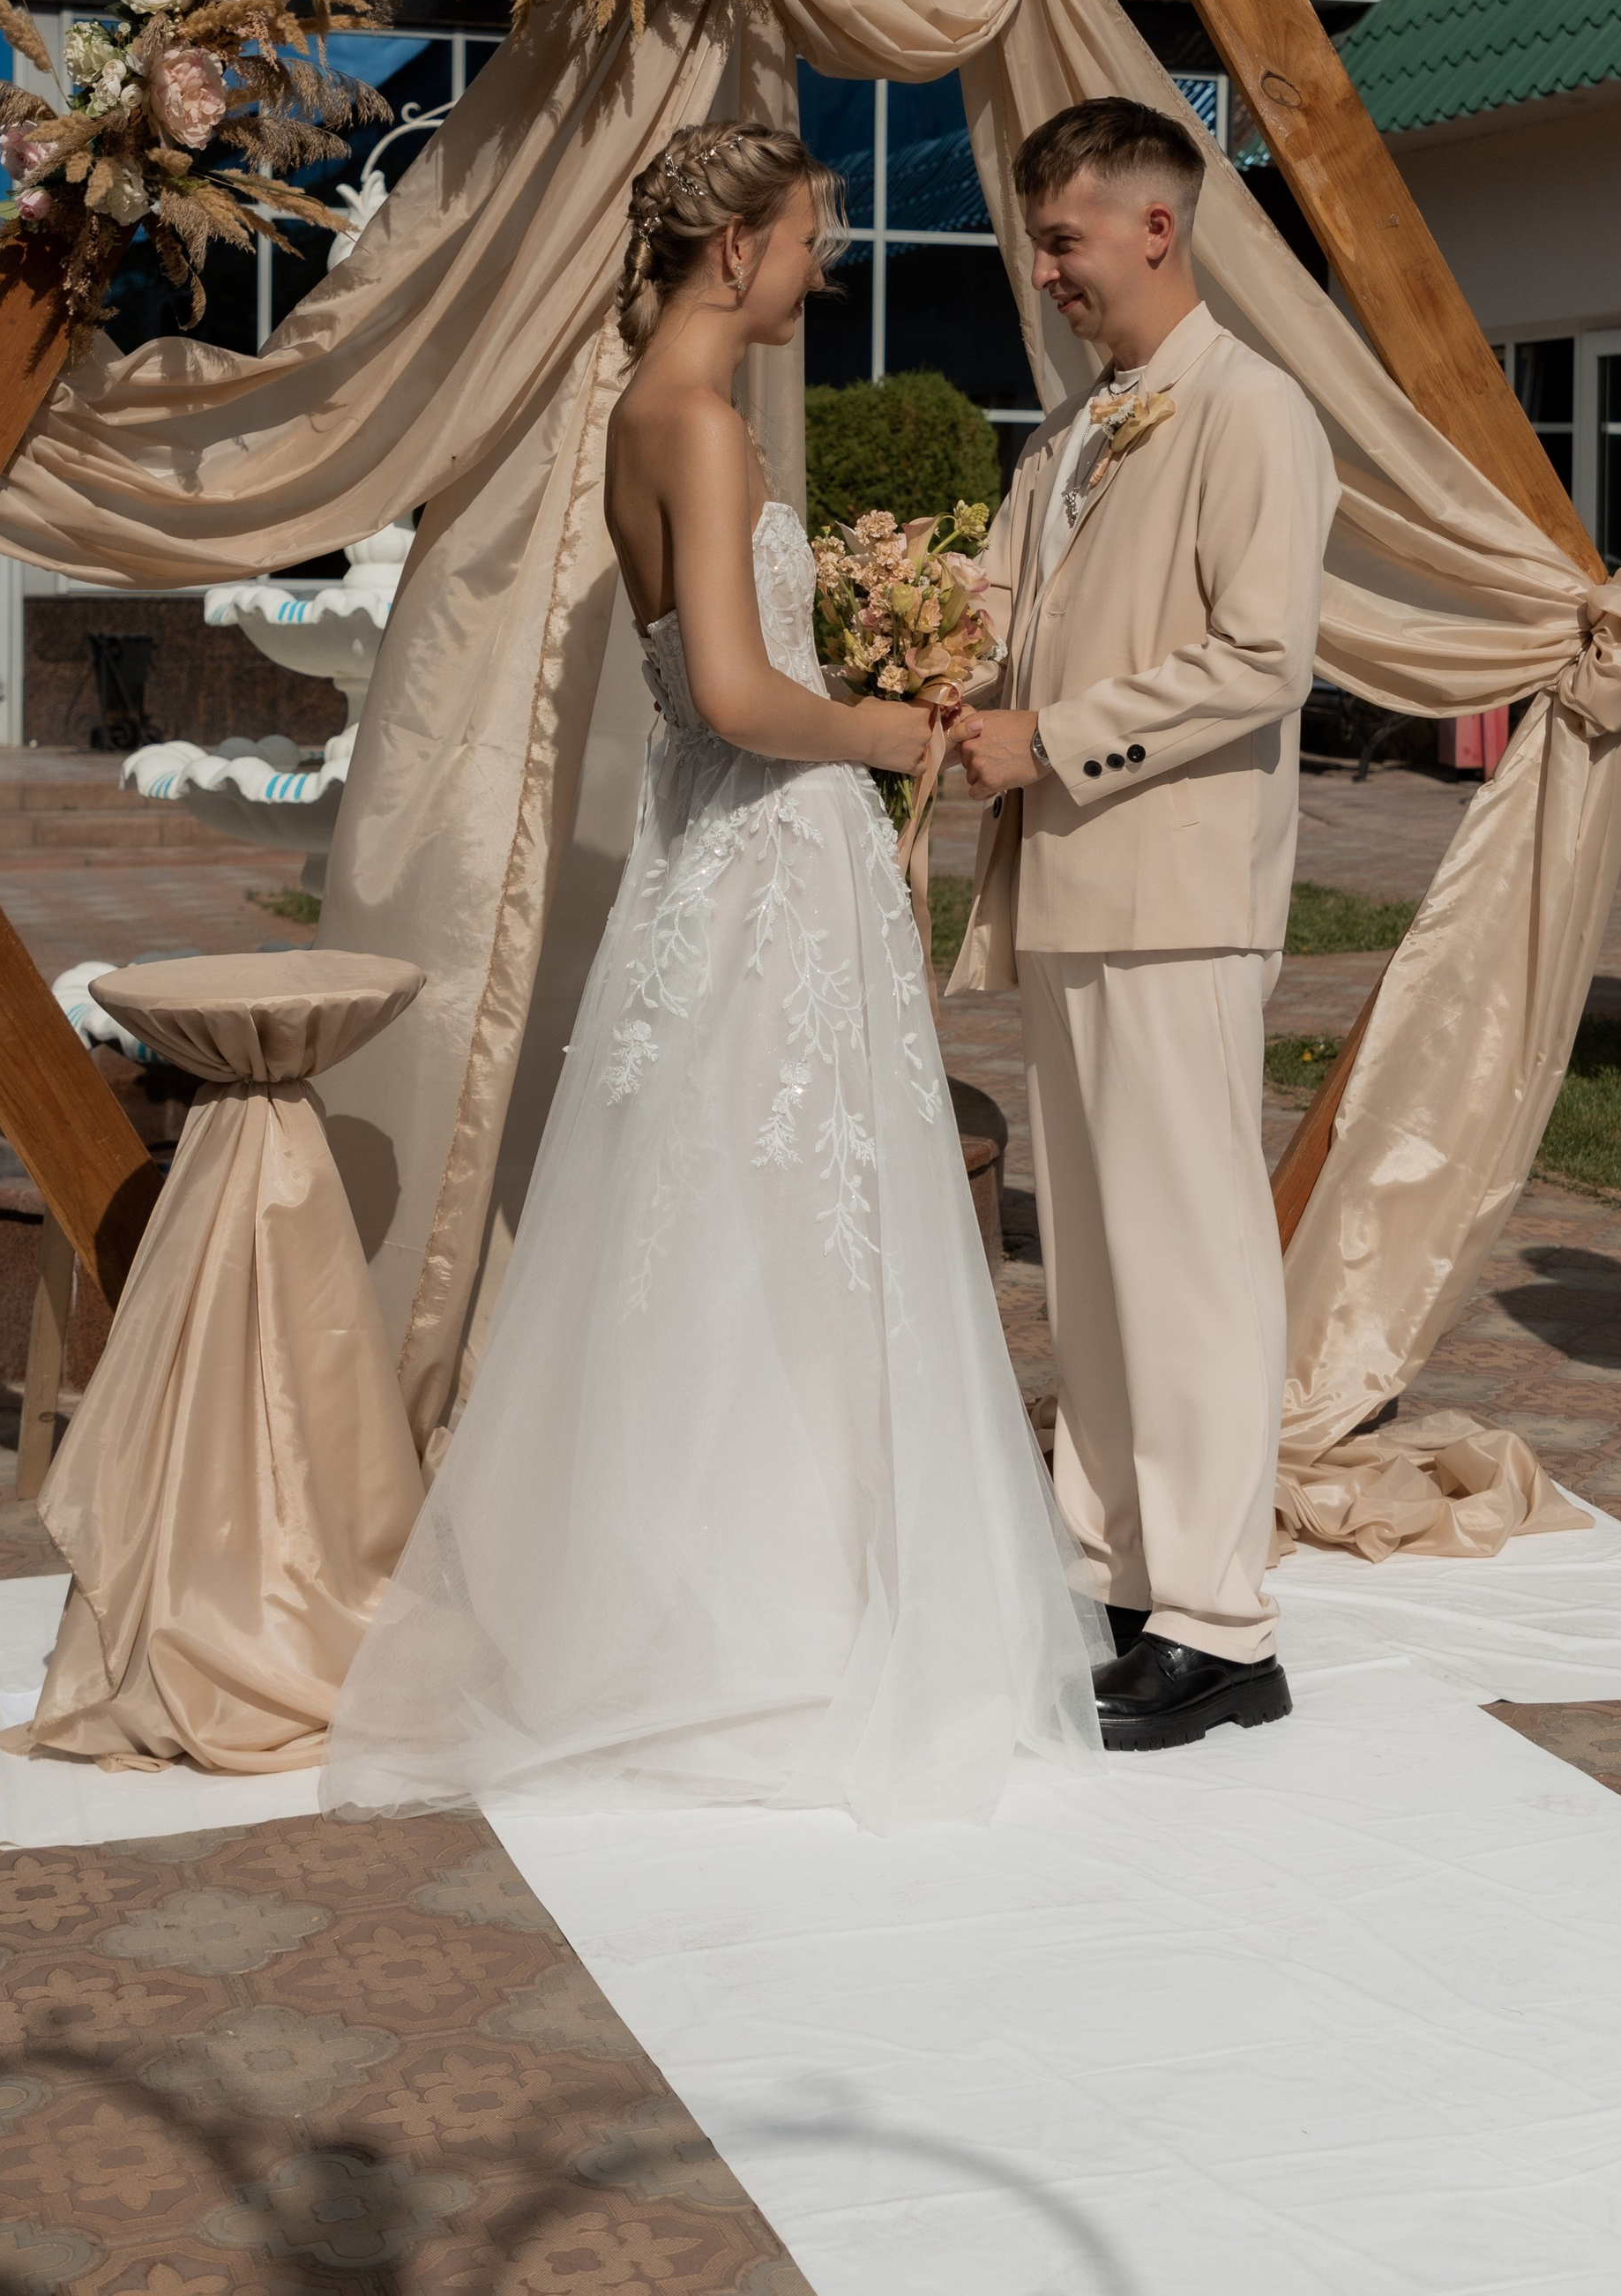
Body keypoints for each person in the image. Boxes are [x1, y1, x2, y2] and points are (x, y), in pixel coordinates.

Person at [323, 121, 1102, 1831]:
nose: (819, 269)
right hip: (758, 852)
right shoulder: (688, 420)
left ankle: (720, 1584)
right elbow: (741, 698)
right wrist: (912, 728)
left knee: (738, 1213)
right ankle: (771, 1619)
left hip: (727, 858)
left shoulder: (644, 411)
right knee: (780, 1222)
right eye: (810, 237)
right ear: (733, 242)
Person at [952, 98, 1337, 1753]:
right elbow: (999, 614)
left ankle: (1224, 1622)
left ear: (1159, 228)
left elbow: (1264, 656)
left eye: (1064, 240)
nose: (1044, 272)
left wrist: (1054, 737)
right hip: (1072, 891)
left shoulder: (1254, 413)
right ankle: (1121, 1571)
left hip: (1176, 889)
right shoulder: (1066, 433)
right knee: (1098, 1264)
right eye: (1038, 242)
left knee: (1187, 1261)